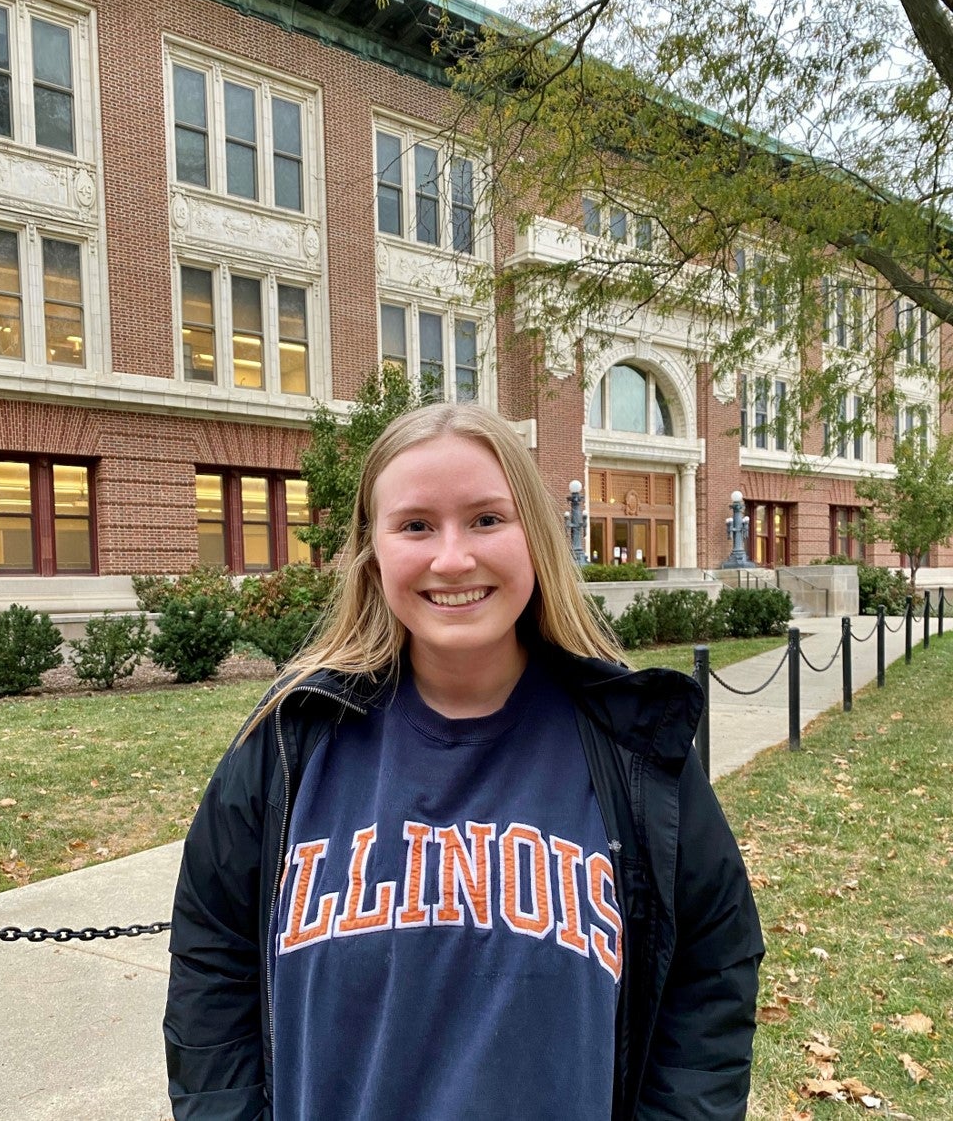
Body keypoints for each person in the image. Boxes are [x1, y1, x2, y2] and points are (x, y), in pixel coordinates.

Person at [164, 403, 764, 1121]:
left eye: (486, 519)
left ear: (536, 539)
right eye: (416, 525)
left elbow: (713, 967)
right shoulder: (288, 741)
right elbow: (212, 963)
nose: (452, 557)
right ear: (374, 549)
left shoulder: (628, 747)